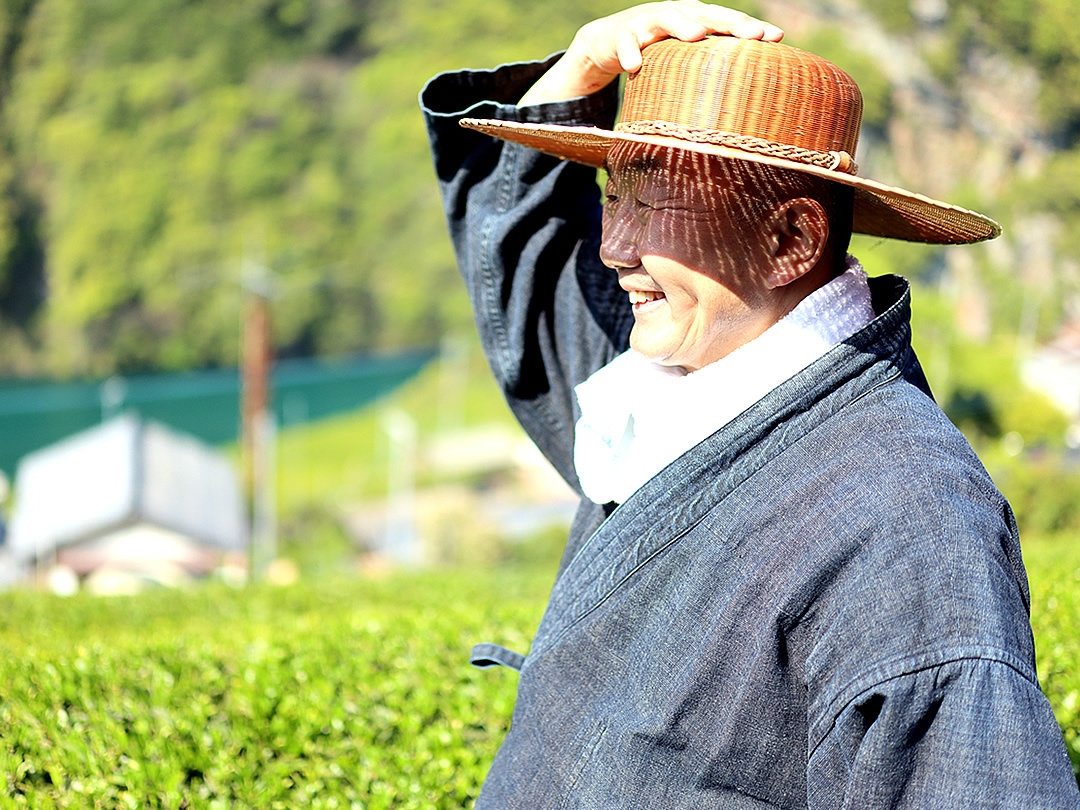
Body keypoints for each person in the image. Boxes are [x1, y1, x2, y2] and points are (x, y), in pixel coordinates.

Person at [420, 2, 1080, 806]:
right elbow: (539, 289)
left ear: (790, 241)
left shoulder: (910, 516)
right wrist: (577, 76)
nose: (614, 246)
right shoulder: (671, 393)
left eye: (654, 203)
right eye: (612, 196)